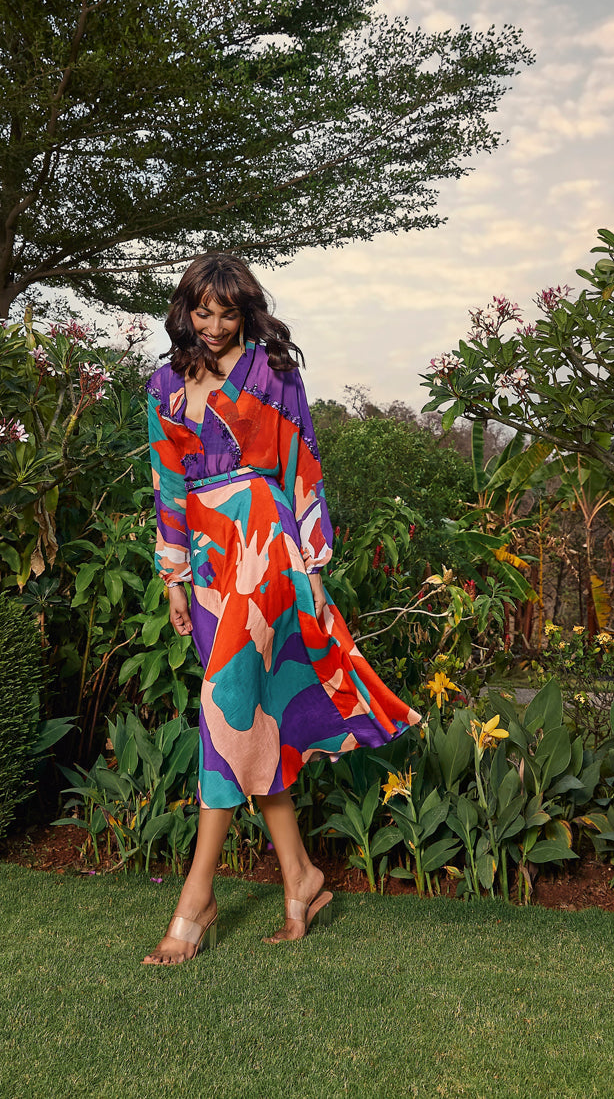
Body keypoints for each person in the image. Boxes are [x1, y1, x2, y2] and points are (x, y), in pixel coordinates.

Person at [142, 252, 420, 965]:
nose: (210, 325)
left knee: (226, 709)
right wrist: (172, 578)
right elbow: (168, 489)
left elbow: (304, 467)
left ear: (246, 312)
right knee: (250, 718)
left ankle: (195, 901)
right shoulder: (165, 386)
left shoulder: (274, 376)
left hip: (266, 550)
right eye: (200, 311)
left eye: (225, 312)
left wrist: (316, 566)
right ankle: (300, 877)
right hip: (206, 565)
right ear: (186, 308)